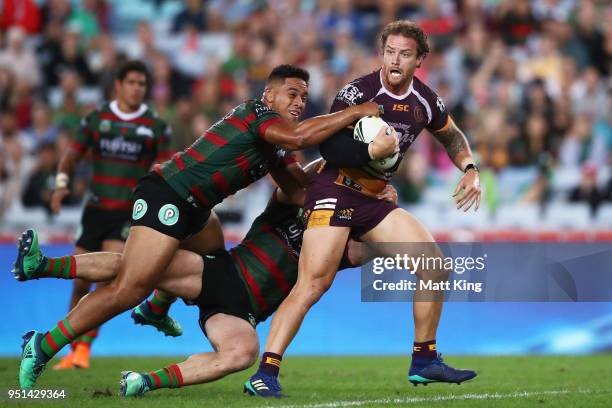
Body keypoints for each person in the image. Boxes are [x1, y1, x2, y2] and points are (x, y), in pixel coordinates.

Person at [17, 64, 397, 390]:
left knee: (200, 258)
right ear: (269, 94)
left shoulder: (277, 145)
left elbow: (300, 190)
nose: (299, 103)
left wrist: (362, 187)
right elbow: (300, 138)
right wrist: (355, 113)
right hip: (168, 195)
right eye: (292, 94)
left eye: (303, 97)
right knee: (129, 287)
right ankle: (45, 344)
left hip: (196, 209)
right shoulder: (258, 115)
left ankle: (152, 305)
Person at [13, 159, 398, 396]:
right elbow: (305, 179)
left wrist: (378, 207)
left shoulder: (342, 243)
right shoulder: (291, 203)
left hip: (242, 313)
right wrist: (346, 173)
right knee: (140, 269)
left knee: (242, 354)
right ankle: (44, 266)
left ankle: (144, 381)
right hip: (220, 272)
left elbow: (378, 246)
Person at [246, 20, 481, 397]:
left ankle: (424, 360)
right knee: (313, 284)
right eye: (390, 52)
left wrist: (470, 168)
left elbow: (451, 135)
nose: (395, 60)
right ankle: (265, 373)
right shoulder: (358, 92)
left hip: (373, 200)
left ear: (419, 59)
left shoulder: (425, 101)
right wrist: (372, 151)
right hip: (335, 190)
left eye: (405, 54)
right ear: (381, 53)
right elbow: (330, 148)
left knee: (434, 266)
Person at [49, 60, 174, 370]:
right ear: (118, 85)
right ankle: (70, 346)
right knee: (79, 280)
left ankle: (84, 350)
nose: (137, 88)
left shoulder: (155, 126)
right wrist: (61, 186)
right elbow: (72, 155)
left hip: (127, 213)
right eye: (131, 82)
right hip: (94, 209)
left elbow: (163, 171)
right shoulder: (96, 118)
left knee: (106, 279)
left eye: (142, 84)